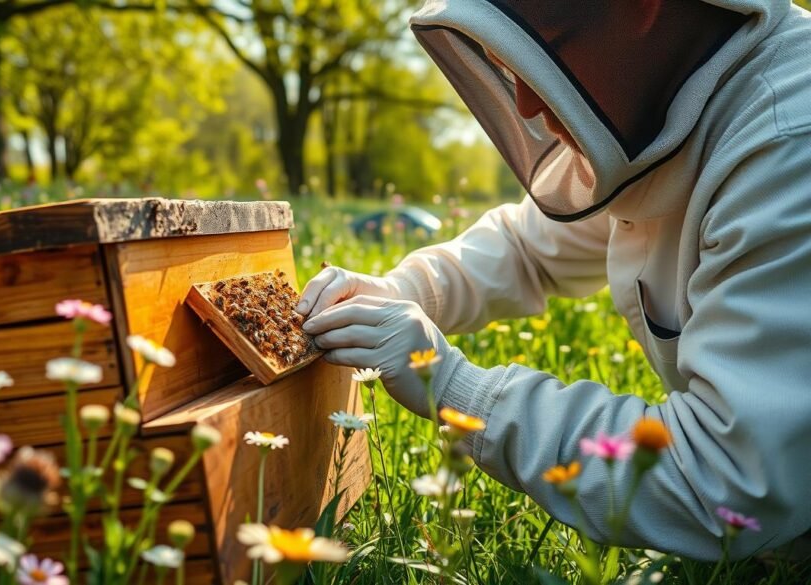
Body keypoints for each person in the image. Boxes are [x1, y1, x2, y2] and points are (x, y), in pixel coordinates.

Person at [297, 0, 811, 561]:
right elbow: (526, 247)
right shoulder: (667, 96)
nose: (527, 100)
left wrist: (452, 386)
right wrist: (401, 290)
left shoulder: (789, 145)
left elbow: (725, 478)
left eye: (547, 45)